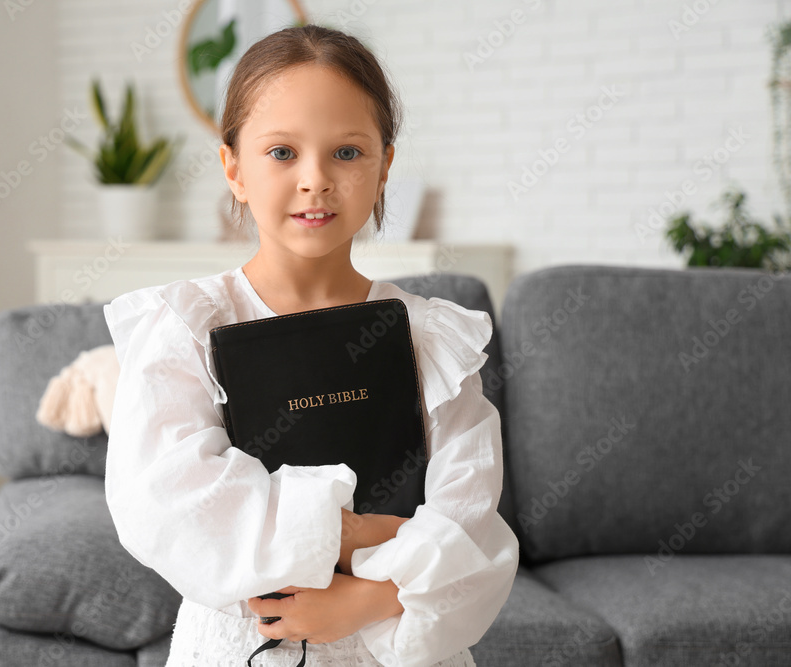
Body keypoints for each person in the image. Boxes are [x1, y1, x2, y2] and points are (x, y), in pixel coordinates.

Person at [103, 23, 518, 667]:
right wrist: (363, 536)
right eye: (281, 152)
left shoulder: (432, 339)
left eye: (348, 153)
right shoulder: (187, 327)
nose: (315, 179)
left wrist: (370, 596)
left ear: (384, 168)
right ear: (233, 167)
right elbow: (170, 506)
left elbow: (472, 528)